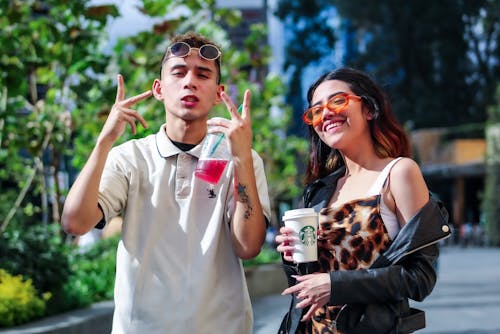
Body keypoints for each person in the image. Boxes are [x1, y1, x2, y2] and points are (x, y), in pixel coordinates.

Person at [61, 31, 271, 333]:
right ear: (158, 89)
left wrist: (241, 161)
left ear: (218, 92)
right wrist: (104, 140)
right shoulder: (130, 157)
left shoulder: (243, 159)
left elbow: (248, 246)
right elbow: (75, 223)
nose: (190, 81)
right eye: (179, 72)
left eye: (203, 74)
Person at [275, 67, 450, 334]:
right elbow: (305, 287)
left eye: (338, 100)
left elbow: (420, 279)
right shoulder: (319, 190)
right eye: (316, 110)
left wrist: (335, 285)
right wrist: (292, 257)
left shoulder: (398, 173)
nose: (326, 114)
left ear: (368, 109)